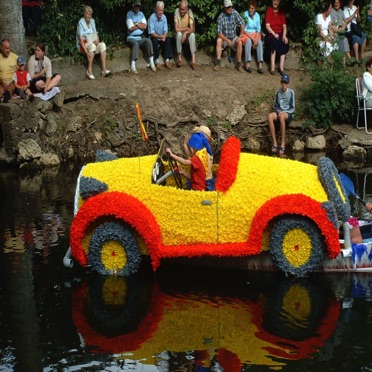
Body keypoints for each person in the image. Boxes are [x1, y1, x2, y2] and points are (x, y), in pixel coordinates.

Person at [77, 5, 111, 80]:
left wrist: (97, 41)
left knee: (102, 45)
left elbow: (96, 34)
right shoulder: (81, 22)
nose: (89, 16)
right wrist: (86, 52)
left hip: (92, 42)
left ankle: (104, 70)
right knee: (92, 46)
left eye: (90, 14)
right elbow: (80, 39)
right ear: (84, 14)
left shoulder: (92, 21)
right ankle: (89, 71)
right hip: (84, 45)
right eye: (87, 14)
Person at [213, 0, 245, 72]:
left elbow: (242, 23)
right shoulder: (220, 17)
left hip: (234, 37)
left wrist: (240, 36)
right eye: (228, 7)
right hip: (224, 38)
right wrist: (226, 40)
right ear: (224, 7)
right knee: (218, 40)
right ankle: (218, 63)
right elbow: (218, 32)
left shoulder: (235, 13)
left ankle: (239, 65)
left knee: (239, 42)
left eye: (230, 6)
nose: (229, 8)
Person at [267, 73, 295, 156]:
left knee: (282, 116)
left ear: (288, 84)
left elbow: (293, 108)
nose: (284, 84)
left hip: (288, 113)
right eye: (283, 82)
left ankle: (283, 143)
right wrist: (278, 111)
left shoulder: (291, 93)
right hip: (279, 112)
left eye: (285, 83)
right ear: (281, 83)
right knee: (270, 116)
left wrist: (284, 113)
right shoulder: (277, 92)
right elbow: (275, 106)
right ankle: (275, 143)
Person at [126, 0, 156, 74]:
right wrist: (140, 25)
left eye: (138, 6)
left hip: (140, 37)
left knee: (148, 41)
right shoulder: (129, 14)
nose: (137, 8)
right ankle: (133, 64)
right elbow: (130, 28)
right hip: (131, 37)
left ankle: (151, 62)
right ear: (133, 6)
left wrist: (136, 24)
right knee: (135, 44)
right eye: (136, 6)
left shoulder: (141, 14)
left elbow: (145, 26)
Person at [184, 126, 215, 191]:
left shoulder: (205, 153)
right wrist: (185, 145)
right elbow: (191, 156)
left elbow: (189, 160)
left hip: (206, 183)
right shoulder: (200, 150)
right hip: (200, 180)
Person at [264, 0, 289, 75]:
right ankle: (272, 67)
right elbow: (267, 26)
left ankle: (281, 68)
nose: (275, 3)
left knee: (284, 42)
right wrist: (274, 33)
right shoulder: (269, 10)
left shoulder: (281, 12)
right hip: (271, 33)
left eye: (277, 1)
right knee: (273, 42)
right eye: (274, 1)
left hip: (280, 33)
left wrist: (284, 35)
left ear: (279, 2)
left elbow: (284, 26)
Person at [148, 1, 173, 71]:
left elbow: (166, 30)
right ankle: (156, 60)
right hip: (155, 37)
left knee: (168, 40)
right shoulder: (152, 18)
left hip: (162, 37)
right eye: (159, 10)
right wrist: (159, 37)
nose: (160, 12)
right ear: (156, 9)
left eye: (161, 10)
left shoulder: (164, 17)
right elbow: (151, 33)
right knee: (154, 41)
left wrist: (164, 36)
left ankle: (167, 60)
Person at [242, 0, 264, 74]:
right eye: (249, 8)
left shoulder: (257, 16)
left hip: (255, 34)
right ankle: (247, 64)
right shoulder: (245, 14)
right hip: (247, 34)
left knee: (260, 42)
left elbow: (258, 29)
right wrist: (252, 39)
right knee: (248, 41)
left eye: (252, 8)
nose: (250, 10)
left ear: (255, 9)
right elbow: (244, 30)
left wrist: (256, 39)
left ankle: (260, 66)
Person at [174, 0, 197, 70]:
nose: (181, 11)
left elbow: (192, 29)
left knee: (192, 35)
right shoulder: (176, 11)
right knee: (178, 34)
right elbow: (176, 29)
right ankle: (179, 59)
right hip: (180, 33)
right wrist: (186, 29)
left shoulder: (190, 12)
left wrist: (186, 33)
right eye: (181, 9)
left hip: (187, 33)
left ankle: (193, 61)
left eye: (183, 9)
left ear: (187, 9)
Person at [343, 0, 366, 64]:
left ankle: (362, 55)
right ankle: (356, 58)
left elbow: (358, 21)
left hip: (355, 29)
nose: (351, 1)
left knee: (364, 36)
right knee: (355, 37)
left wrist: (358, 13)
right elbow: (346, 21)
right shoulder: (345, 9)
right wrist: (353, 15)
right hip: (349, 30)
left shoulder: (355, 7)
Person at [330, 0, 351, 65]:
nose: (337, 4)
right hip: (334, 33)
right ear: (333, 3)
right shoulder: (331, 12)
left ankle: (344, 66)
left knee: (344, 39)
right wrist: (338, 30)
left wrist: (342, 29)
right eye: (335, 3)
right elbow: (331, 25)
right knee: (342, 40)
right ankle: (350, 59)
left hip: (341, 32)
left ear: (340, 3)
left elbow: (344, 23)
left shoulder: (341, 11)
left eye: (338, 3)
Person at [0, 38, 18, 103]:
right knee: (1, 91)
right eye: (6, 48)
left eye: (9, 48)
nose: (8, 50)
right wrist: (2, 82)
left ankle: (6, 96)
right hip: (1, 82)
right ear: (1, 47)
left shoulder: (15, 57)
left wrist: (14, 81)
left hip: (12, 82)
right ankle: (2, 96)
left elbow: (21, 72)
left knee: (11, 87)